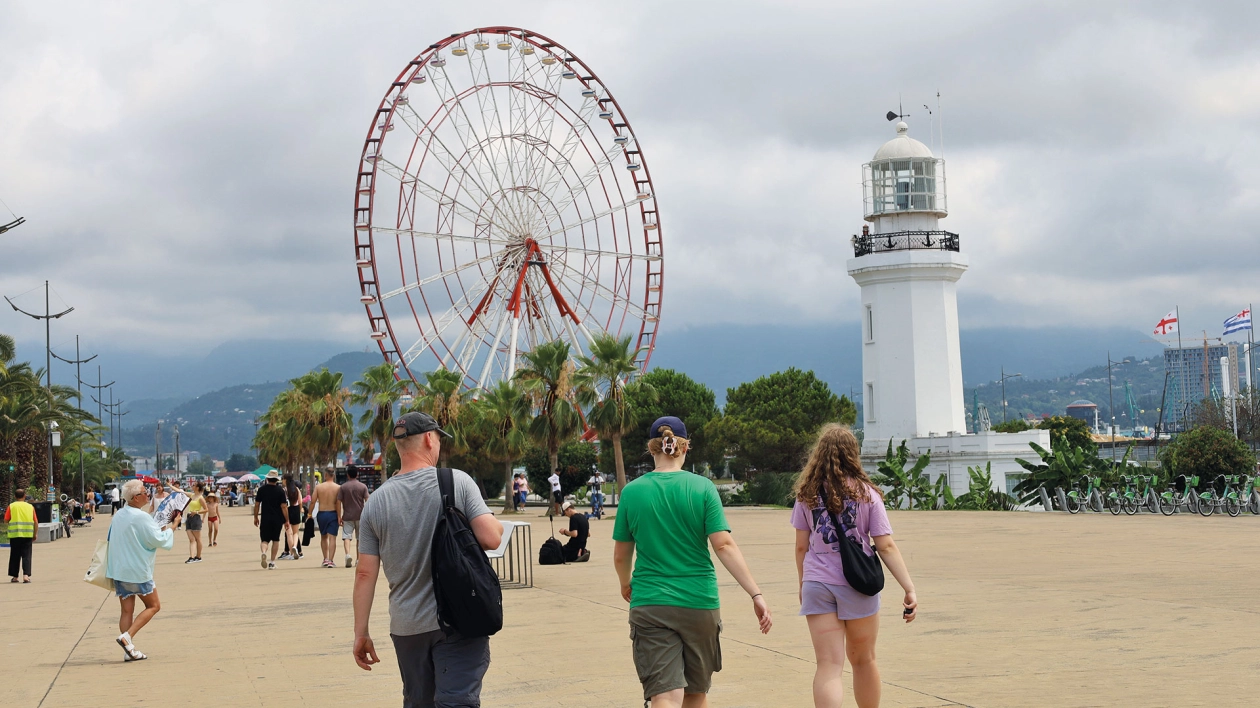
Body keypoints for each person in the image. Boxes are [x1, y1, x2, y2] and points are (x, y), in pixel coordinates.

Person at [613, 416, 773, 708]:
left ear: (652, 450)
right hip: (700, 602)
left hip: (651, 602)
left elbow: (622, 554)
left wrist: (626, 583)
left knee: (664, 694)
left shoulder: (632, 492)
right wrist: (756, 593)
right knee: (696, 693)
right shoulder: (703, 488)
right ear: (685, 448)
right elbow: (723, 544)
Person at [353, 412, 503, 707]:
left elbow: (364, 574)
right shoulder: (456, 481)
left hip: (407, 627)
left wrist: (361, 633)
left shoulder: (375, 503)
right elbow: (491, 538)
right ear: (428, 438)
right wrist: (495, 523)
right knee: (457, 701)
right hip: (458, 618)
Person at [792, 424, 917, 708]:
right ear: (853, 455)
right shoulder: (867, 494)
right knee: (863, 660)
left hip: (817, 584)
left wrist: (803, 584)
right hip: (857, 583)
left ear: (819, 455)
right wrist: (908, 587)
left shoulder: (807, 494)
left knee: (828, 665)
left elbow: (801, 546)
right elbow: (884, 545)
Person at [107, 479, 178, 661]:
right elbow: (157, 539)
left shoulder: (120, 515)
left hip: (119, 569)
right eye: (145, 492)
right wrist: (173, 527)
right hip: (136, 570)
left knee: (126, 610)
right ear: (136, 497)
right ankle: (127, 637)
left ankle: (128, 650)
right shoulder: (140, 516)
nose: (148, 494)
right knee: (154, 605)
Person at [253, 470, 291, 569]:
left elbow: (257, 505)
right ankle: (272, 562)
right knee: (275, 540)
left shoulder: (261, 489)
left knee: (264, 540)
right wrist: (287, 520)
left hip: (265, 518)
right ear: (276, 480)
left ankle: (264, 552)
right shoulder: (280, 490)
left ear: (267, 479)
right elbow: (284, 506)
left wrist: (256, 517)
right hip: (277, 519)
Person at [338, 468, 370, 568]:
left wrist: (339, 516)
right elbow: (367, 501)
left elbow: (338, 501)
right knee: (359, 538)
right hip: (361, 515)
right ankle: (358, 559)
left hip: (347, 516)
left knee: (347, 536)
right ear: (357, 474)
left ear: (348, 475)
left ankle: (347, 555)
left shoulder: (343, 487)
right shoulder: (363, 486)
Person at [310, 472, 341, 568]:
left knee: (323, 537)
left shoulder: (319, 487)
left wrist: (309, 514)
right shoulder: (338, 487)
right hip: (333, 513)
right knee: (333, 538)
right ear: (334, 475)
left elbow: (313, 501)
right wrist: (339, 516)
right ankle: (331, 560)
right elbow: (338, 503)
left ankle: (325, 559)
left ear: (325, 475)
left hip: (322, 513)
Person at [4, 488, 36, 583]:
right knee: (27, 555)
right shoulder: (30, 507)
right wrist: (35, 534)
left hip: (15, 535)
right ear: (24, 496)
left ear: (15, 496)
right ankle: (26, 576)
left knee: (15, 555)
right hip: (27, 535)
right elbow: (35, 521)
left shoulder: (11, 506)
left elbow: (6, 520)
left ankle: (15, 577)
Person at [280, 474, 303, 561]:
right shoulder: (296, 489)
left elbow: (283, 504)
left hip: (287, 511)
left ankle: (292, 553)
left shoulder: (284, 490)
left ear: (285, 480)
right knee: (295, 533)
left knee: (288, 532)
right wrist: (300, 510)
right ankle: (295, 547)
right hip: (296, 510)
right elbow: (300, 501)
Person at [183, 482, 207, 563]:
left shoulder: (200, 498)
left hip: (196, 517)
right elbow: (181, 491)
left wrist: (197, 512)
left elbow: (206, 509)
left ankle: (198, 556)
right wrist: (169, 485)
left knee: (198, 539)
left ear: (197, 488)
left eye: (193, 485)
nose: (192, 486)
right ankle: (191, 557)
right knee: (191, 539)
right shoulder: (192, 495)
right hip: (189, 517)